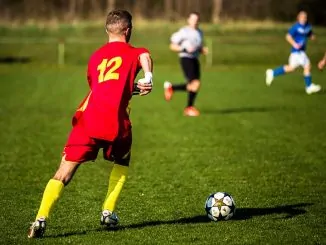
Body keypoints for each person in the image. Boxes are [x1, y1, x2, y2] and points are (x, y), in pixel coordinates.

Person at [28, 10, 153, 238]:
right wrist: (148, 77)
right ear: (128, 30)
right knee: (123, 159)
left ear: (107, 30)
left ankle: (40, 219)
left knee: (63, 172)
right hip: (116, 123)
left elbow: (102, 88)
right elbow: (145, 56)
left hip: (89, 121)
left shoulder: (95, 57)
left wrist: (130, 88)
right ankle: (108, 211)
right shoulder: (134, 51)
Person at [265, 11, 321, 94]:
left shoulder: (308, 26)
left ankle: (272, 73)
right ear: (298, 18)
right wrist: (294, 44)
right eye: (302, 17)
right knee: (307, 65)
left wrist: (312, 37)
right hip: (297, 52)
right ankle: (309, 87)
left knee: (291, 68)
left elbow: (308, 33)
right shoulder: (295, 27)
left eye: (305, 17)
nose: (304, 18)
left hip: (300, 51)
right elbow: (287, 36)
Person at [164, 11, 208, 116]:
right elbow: (172, 46)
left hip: (195, 59)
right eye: (193, 19)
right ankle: (189, 108)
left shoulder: (200, 32)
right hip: (186, 59)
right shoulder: (183, 32)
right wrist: (184, 48)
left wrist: (202, 50)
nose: (194, 22)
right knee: (195, 84)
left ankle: (171, 88)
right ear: (188, 20)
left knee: (195, 85)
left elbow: (198, 47)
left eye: (196, 20)